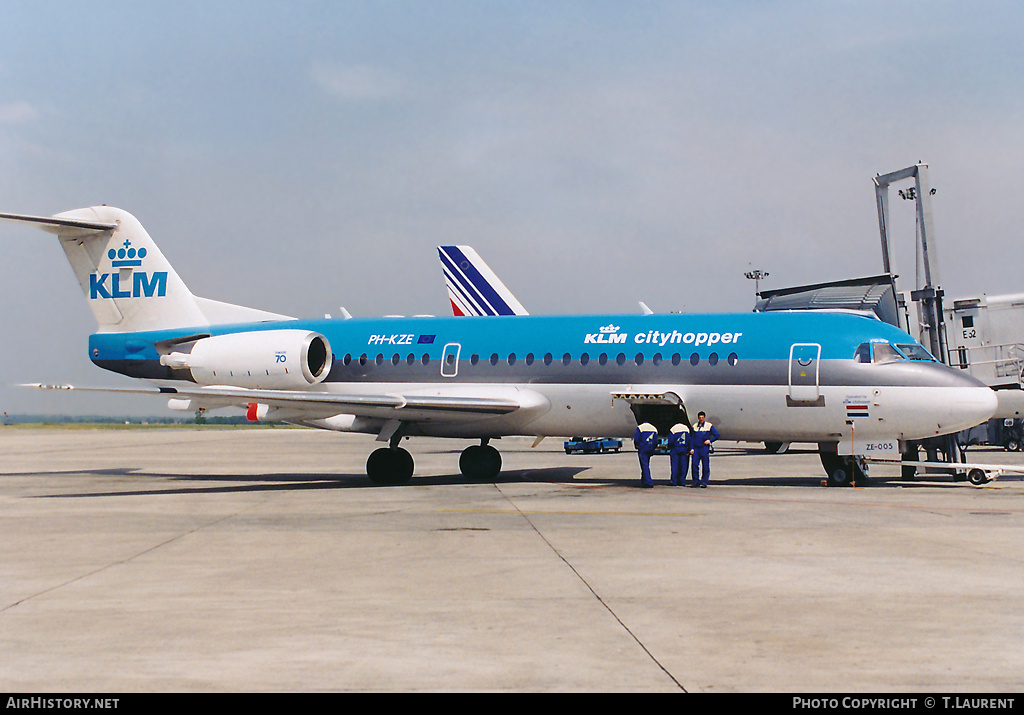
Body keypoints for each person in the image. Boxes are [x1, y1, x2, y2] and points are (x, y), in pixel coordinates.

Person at [690, 411, 720, 488]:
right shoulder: (695, 426)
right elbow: (692, 438)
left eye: (702, 418)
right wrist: (691, 448)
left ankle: (704, 482)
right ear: (698, 418)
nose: (701, 419)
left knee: (705, 466)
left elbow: (717, 435)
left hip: (704, 448)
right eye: (700, 418)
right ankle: (696, 481)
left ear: (704, 418)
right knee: (694, 466)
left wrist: (710, 441)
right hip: (696, 449)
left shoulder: (708, 426)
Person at [633, 421, 659, 488]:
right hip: (650, 448)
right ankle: (644, 481)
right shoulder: (654, 428)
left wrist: (637, 446)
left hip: (643, 448)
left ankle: (648, 482)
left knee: (644, 465)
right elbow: (656, 441)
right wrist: (653, 448)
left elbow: (636, 439)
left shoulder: (640, 428)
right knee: (646, 464)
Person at [667, 422, 691, 486]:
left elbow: (671, 441)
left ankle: (674, 481)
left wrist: (669, 447)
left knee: (675, 466)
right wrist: (689, 449)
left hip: (675, 448)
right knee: (683, 465)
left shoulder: (673, 429)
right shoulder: (686, 428)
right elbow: (689, 439)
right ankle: (682, 481)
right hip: (684, 448)